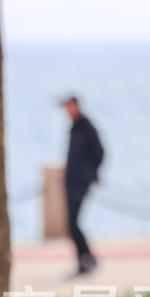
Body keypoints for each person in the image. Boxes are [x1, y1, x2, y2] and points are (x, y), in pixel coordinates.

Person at [61, 95, 104, 275]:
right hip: (71, 183)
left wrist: (91, 175)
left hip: (80, 184)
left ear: (76, 106)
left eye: (69, 106)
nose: (67, 110)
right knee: (71, 224)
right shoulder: (74, 127)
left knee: (73, 223)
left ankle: (88, 259)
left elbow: (100, 152)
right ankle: (84, 259)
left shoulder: (86, 127)